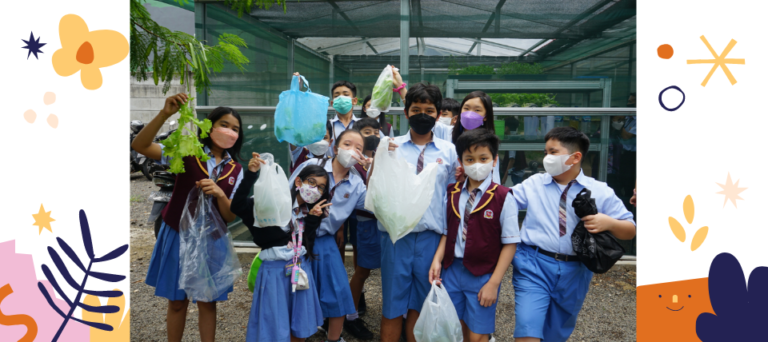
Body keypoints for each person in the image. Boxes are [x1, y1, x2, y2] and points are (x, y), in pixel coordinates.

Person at [132, 94, 244, 342]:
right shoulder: (187, 149)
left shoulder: (236, 169)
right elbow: (140, 147)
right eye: (224, 125)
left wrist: (219, 195)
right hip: (177, 233)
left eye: (235, 129)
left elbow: (229, 215)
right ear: (210, 125)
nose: (229, 131)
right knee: (177, 301)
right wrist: (165, 114)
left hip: (212, 239)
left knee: (207, 302)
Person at [510, 127, 636, 342]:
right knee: (527, 328)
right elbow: (502, 201)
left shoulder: (600, 190)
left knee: (556, 334)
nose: (546, 158)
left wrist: (609, 222)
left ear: (575, 157)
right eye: (545, 152)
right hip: (533, 263)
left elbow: (630, 231)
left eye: (553, 152)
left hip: (576, 270)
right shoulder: (534, 183)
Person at [376, 83, 460, 342]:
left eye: (429, 110)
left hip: (431, 238)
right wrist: (380, 158)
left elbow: (453, 197)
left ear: (437, 114)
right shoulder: (391, 146)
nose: (422, 115)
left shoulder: (449, 151)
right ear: (405, 113)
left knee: (422, 305)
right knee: (392, 305)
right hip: (396, 237)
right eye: (416, 109)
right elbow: (377, 190)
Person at [429, 129, 519, 342]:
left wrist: (493, 284)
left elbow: (510, 244)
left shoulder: (504, 197)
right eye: (470, 159)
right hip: (451, 272)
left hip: (482, 275)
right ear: (461, 161)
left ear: (494, 160)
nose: (477, 163)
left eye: (483, 158)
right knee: (453, 329)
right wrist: (436, 260)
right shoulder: (452, 192)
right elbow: (446, 231)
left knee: (477, 334)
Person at [231, 154, 330, 342]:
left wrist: (313, 220)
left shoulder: (310, 212)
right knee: (274, 327)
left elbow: (306, 245)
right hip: (274, 271)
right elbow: (238, 206)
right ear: (299, 181)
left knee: (300, 324)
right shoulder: (271, 202)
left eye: (321, 187)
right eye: (312, 182)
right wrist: (251, 175)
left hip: (300, 270)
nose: (315, 189)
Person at [290, 129, 371, 342]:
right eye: (347, 145)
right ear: (335, 148)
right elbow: (287, 196)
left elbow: (375, 205)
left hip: (325, 242)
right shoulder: (310, 167)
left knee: (338, 292)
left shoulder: (356, 184)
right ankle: (296, 335)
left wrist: (374, 172)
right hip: (297, 238)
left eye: (358, 148)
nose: (352, 151)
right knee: (297, 291)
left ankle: (333, 338)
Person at [339, 118, 384, 340]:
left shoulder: (383, 156)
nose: (373, 135)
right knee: (363, 270)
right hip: (368, 223)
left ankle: (400, 316)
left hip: (388, 222)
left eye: (376, 130)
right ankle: (350, 316)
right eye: (367, 131)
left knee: (392, 270)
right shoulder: (355, 164)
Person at [450, 91, 502, 184]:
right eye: (466, 108)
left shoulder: (488, 142)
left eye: (477, 110)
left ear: (486, 116)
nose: (469, 114)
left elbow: (494, 180)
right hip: (450, 195)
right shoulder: (447, 135)